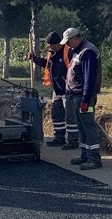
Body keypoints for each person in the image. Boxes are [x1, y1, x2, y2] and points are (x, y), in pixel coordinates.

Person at [25, 31, 76, 148]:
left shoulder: (68, 52)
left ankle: (73, 141)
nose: (48, 46)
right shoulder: (51, 53)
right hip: (57, 90)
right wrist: (34, 59)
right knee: (56, 114)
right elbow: (47, 64)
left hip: (67, 90)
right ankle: (59, 138)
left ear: (55, 43)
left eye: (49, 44)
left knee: (70, 116)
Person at [61, 27, 103, 170]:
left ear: (75, 38)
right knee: (81, 127)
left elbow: (89, 79)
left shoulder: (88, 52)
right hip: (75, 95)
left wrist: (85, 100)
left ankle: (94, 158)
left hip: (83, 97)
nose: (67, 45)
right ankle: (85, 154)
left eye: (68, 42)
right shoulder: (77, 51)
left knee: (88, 126)